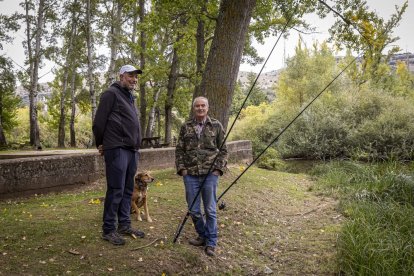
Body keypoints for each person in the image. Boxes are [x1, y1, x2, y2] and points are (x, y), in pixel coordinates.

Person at [92, 64, 145, 246]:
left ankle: (124, 224)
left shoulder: (129, 97)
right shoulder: (111, 94)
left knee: (128, 189)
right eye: (130, 75)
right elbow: (99, 122)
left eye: (136, 77)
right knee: (116, 189)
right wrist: (101, 143)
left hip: (131, 150)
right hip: (117, 148)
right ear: (121, 76)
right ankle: (108, 230)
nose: (134, 79)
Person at [175, 96, 228, 257]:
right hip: (190, 175)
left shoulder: (216, 126)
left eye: (203, 105)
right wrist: (182, 169)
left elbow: (224, 150)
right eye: (197, 106)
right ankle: (202, 235)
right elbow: (179, 150)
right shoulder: (185, 126)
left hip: (210, 175)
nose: (200, 108)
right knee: (194, 210)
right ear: (194, 108)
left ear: (207, 107)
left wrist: (218, 169)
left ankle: (211, 242)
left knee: (211, 210)